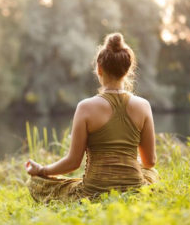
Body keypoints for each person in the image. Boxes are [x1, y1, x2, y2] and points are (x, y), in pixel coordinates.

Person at [25, 32, 159, 203]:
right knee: (151, 174)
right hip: (134, 190)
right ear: (128, 69)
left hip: (92, 193)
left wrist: (42, 170)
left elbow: (73, 162)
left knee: (34, 182)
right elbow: (150, 162)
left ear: (99, 68)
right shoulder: (143, 105)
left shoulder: (85, 107)